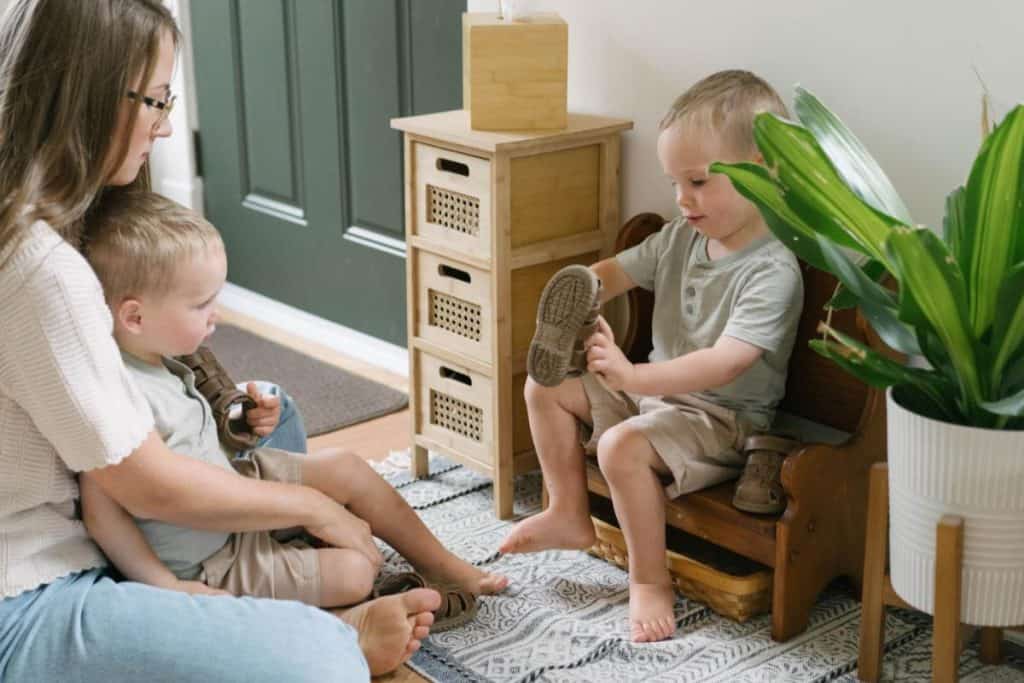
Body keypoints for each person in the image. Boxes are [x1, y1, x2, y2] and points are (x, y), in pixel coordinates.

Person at [0, 1, 440, 679]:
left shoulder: (64, 222)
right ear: (85, 93)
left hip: (112, 510)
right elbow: (144, 487)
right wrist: (315, 506)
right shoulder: (41, 268)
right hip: (36, 583)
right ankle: (332, 630)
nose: (167, 122)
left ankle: (269, 588)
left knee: (276, 412)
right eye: (153, 100)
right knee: (320, 662)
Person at [79, 190, 508, 612]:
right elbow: (103, 515)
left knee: (346, 467)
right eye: (201, 304)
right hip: (212, 561)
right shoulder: (115, 394)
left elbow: (194, 438)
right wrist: (167, 585)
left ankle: (442, 565)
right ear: (134, 317)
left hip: (239, 486)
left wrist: (239, 424)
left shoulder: (159, 358)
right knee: (357, 571)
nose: (218, 314)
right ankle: (348, 610)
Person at [499, 70, 804, 643]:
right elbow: (614, 273)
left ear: (763, 173)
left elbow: (728, 362)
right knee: (544, 388)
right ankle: (568, 511)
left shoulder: (771, 271)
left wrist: (632, 372)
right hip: (653, 397)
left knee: (620, 446)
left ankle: (650, 580)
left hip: (720, 420)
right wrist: (584, 290)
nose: (682, 199)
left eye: (698, 182)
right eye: (674, 183)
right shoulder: (679, 237)